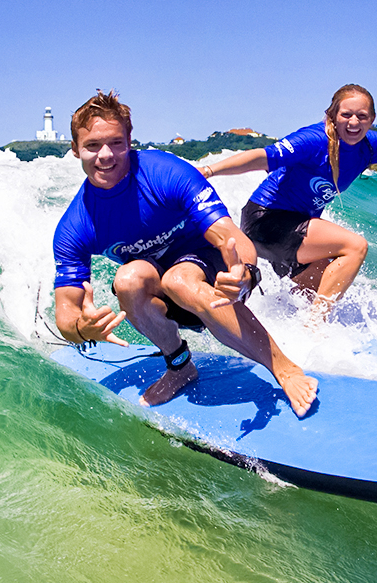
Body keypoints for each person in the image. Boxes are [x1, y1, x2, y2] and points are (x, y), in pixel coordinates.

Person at [52, 91, 319, 416]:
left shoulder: (166, 173)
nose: (106, 155)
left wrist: (245, 273)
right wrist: (83, 329)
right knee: (127, 279)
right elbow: (65, 315)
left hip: (218, 279)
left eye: (116, 143)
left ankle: (284, 368)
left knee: (180, 278)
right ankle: (179, 367)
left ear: (129, 141)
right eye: (93, 145)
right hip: (167, 300)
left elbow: (230, 236)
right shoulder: (76, 224)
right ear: (76, 149)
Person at [199, 84, 377, 321]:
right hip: (266, 220)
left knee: (317, 287)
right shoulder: (313, 140)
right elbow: (263, 157)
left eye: (362, 116)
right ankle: (315, 328)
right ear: (332, 115)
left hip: (293, 229)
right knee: (355, 246)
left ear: (372, 119)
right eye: (346, 115)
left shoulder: (370, 146)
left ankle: (284, 328)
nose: (354, 122)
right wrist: (210, 170)